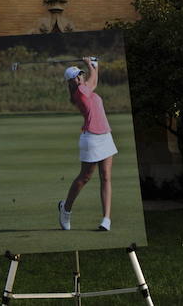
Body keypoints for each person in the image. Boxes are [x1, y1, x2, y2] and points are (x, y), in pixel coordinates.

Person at [58, 56, 118, 232]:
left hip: (105, 136)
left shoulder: (87, 89)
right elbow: (93, 80)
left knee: (106, 176)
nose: (80, 77)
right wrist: (90, 64)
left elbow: (94, 80)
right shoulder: (80, 92)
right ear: (72, 81)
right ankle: (66, 209)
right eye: (78, 76)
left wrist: (94, 65)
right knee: (84, 178)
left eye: (81, 74)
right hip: (91, 139)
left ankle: (106, 219)